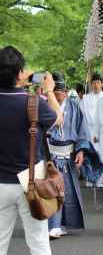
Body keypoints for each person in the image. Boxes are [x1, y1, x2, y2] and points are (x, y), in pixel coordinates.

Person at [0, 46, 62, 255]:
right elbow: (58, 119)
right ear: (19, 73)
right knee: (38, 241)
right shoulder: (32, 102)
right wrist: (50, 91)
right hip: (31, 181)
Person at [47, 72, 90, 239]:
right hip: (51, 155)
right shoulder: (45, 106)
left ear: (66, 92)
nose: (58, 98)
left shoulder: (74, 107)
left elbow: (82, 130)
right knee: (52, 191)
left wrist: (80, 150)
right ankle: (53, 225)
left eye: (61, 94)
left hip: (69, 155)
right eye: (55, 94)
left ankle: (63, 224)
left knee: (68, 192)